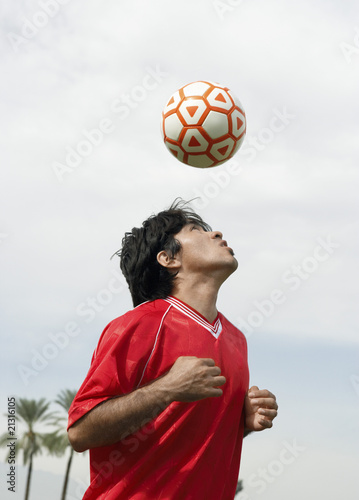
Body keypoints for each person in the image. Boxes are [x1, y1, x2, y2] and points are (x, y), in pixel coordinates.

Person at [67, 199, 278, 500]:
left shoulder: (236, 339)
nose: (216, 233)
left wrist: (241, 423)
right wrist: (166, 388)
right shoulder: (139, 324)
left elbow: (185, 435)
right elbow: (80, 432)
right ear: (168, 259)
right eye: (196, 230)